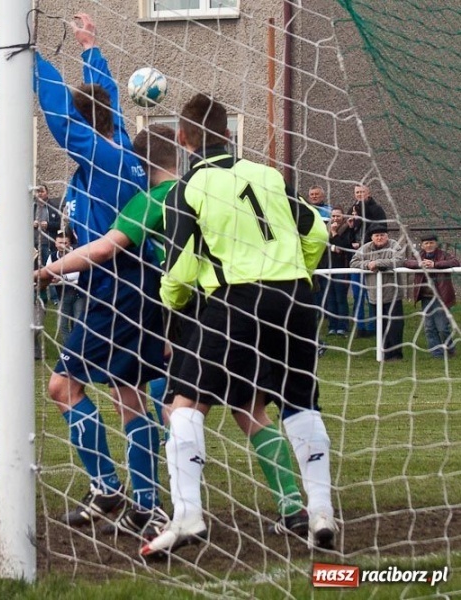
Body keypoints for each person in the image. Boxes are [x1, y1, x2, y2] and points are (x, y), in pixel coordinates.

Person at [141, 93, 336, 559]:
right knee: (299, 403)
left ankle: (188, 514)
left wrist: (174, 312)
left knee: (183, 403)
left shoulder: (188, 187)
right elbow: (318, 233)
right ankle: (320, 511)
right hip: (294, 299)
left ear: (184, 140)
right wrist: (298, 272)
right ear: (230, 134)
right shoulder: (270, 176)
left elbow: (179, 268)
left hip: (236, 301)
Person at [35, 12, 167, 536]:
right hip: (125, 288)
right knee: (128, 393)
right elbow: (100, 103)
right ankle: (143, 502)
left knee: (62, 386)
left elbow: (64, 117)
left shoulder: (105, 155)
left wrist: (29, 61)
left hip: (118, 288)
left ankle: (110, 489)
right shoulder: (117, 153)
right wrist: (91, 49)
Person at [350, 225, 407, 361]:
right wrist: (367, 264)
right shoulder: (365, 248)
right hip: (374, 295)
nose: (379, 238)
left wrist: (377, 263)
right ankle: (384, 353)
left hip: (393, 294)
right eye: (377, 236)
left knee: (395, 326)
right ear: (372, 237)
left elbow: (399, 260)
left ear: (387, 236)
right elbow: (353, 262)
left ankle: (396, 354)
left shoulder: (394, 245)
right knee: (380, 326)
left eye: (382, 235)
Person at [404, 234, 459, 358]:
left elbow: (455, 262)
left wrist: (435, 265)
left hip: (442, 297)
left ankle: (450, 349)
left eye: (431, 243)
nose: (429, 245)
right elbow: (407, 262)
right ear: (422, 245)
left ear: (436, 244)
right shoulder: (419, 256)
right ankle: (437, 354)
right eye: (426, 243)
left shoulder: (444, 255)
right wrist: (420, 264)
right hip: (425, 297)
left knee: (442, 327)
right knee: (429, 327)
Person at [348, 184, 387, 337]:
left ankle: (373, 327)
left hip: (372, 258)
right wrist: (351, 228)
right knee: (357, 293)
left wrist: (364, 242)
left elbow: (380, 232)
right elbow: (349, 234)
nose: (359, 194)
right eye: (357, 192)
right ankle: (360, 326)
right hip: (357, 258)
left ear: (368, 193)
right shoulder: (353, 208)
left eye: (362, 192)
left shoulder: (376, 209)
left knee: (372, 293)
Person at [45, 228, 85, 346]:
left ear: (70, 243)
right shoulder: (52, 257)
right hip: (63, 295)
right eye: (60, 243)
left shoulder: (77, 253)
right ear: (55, 243)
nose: (62, 246)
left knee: (78, 324)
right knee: (62, 324)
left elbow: (78, 273)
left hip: (79, 293)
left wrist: (61, 277)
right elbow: (49, 271)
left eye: (65, 243)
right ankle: (69, 350)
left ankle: (77, 349)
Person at [307, 186, 332, 356]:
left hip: (316, 271)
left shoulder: (327, 211)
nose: (314, 197)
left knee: (315, 306)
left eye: (317, 194)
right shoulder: (307, 210)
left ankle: (318, 344)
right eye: (312, 195)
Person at [323, 207, 355, 336]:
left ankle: (343, 326)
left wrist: (335, 234)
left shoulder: (348, 229)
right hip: (327, 267)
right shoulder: (325, 230)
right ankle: (332, 326)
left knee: (341, 298)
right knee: (330, 299)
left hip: (341, 267)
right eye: (333, 216)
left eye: (338, 216)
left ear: (343, 217)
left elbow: (346, 246)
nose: (335, 218)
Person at [34, 184, 62, 305]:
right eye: (37, 192)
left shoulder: (54, 207)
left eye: (42, 191)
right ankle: (39, 296)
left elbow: (61, 224)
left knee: (50, 270)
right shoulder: (30, 207)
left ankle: (55, 298)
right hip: (33, 245)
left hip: (48, 244)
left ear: (47, 193)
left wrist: (48, 225)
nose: (39, 193)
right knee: (36, 270)